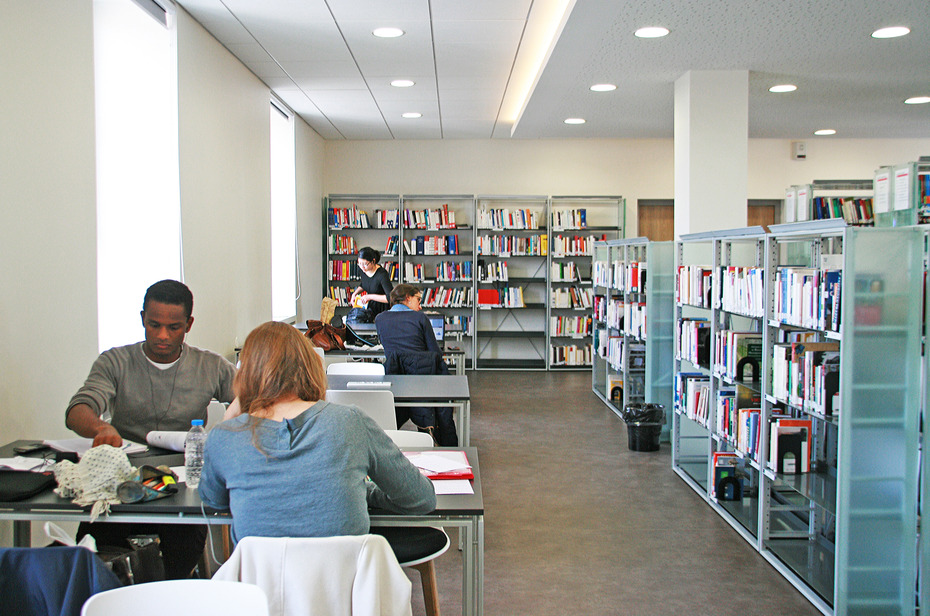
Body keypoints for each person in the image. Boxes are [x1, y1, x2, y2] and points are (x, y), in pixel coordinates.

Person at [198, 321, 435, 542]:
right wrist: (362, 490)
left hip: (262, 586)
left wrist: (232, 413)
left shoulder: (224, 438)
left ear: (245, 374)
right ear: (308, 365)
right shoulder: (350, 422)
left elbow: (213, 500)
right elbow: (421, 498)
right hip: (340, 584)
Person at [65, 279, 236, 579]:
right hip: (121, 486)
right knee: (93, 560)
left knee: (172, 566)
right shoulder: (116, 362)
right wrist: (99, 428)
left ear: (189, 324)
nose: (162, 336)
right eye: (153, 324)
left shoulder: (210, 366)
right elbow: (78, 409)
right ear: (142, 317)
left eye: (174, 328)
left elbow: (254, 400)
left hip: (181, 492)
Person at [374, 284, 458, 446]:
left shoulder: (380, 319)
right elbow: (435, 353)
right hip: (424, 383)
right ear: (407, 298)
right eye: (418, 300)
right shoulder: (420, 318)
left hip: (395, 381)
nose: (420, 306)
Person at [348, 247, 392, 319]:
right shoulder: (363, 270)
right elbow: (365, 284)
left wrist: (369, 296)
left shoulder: (382, 274)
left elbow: (390, 297)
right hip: (369, 309)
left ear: (373, 261)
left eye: (365, 264)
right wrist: (354, 294)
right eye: (359, 264)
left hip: (382, 311)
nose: (362, 267)